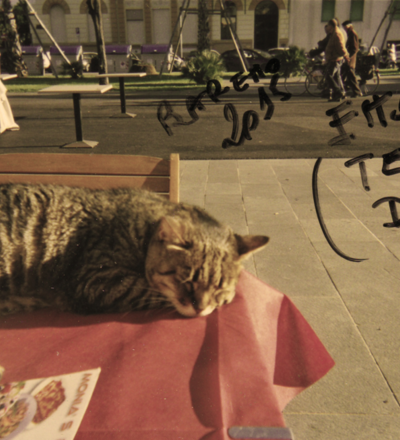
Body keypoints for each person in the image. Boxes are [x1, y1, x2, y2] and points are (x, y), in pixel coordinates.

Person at [324, 18, 350, 101]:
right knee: (336, 77)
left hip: (335, 59)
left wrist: (345, 55)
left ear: (331, 26)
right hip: (335, 58)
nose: (326, 27)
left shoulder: (337, 34)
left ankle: (338, 92)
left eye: (327, 26)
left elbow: (340, 47)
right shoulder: (333, 33)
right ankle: (340, 94)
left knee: (328, 76)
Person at [341, 20, 363, 97]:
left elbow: (354, 48)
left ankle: (357, 92)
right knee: (348, 76)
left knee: (351, 76)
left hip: (350, 59)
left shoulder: (352, 34)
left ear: (349, 26)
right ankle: (353, 91)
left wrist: (349, 57)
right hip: (350, 59)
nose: (345, 29)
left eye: (345, 27)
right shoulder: (350, 33)